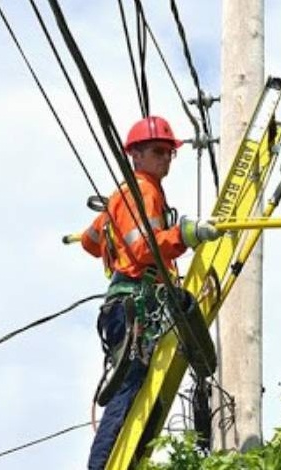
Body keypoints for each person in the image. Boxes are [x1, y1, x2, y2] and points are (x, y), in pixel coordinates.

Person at [80, 115, 220, 469]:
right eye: (158, 151)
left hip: (124, 306)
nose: (165, 158)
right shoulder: (142, 190)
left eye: (169, 152)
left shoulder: (122, 196)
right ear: (135, 155)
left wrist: (114, 237)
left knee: (137, 392)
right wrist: (185, 234)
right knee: (130, 391)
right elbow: (144, 250)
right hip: (135, 306)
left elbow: (89, 241)